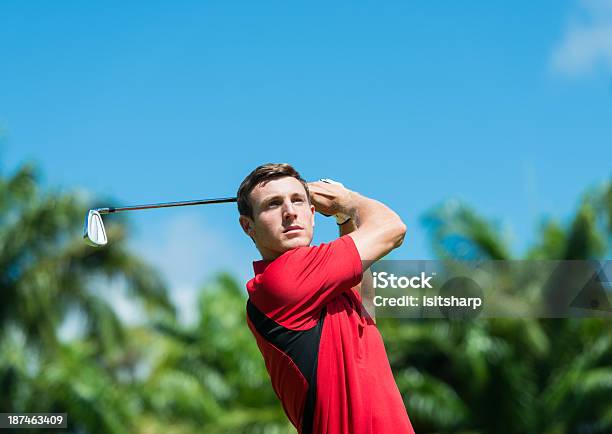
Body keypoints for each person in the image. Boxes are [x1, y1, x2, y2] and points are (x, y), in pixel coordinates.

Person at [237, 163, 415, 434]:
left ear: (312, 213)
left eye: (297, 200)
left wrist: (345, 218)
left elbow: (363, 306)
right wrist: (348, 200)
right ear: (248, 226)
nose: (290, 212)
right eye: (273, 204)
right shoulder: (283, 279)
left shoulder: (318, 282)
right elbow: (393, 227)